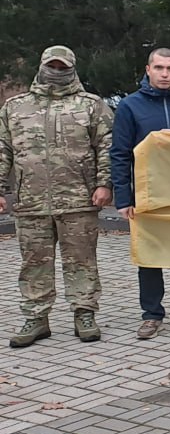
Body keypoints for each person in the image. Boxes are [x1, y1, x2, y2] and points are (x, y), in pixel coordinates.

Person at [1, 46, 113, 347]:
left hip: (78, 199)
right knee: (34, 262)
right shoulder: (16, 107)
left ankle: (84, 313)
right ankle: (36, 318)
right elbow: (3, 149)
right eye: (52, 66)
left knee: (82, 260)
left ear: (72, 69)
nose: (56, 72)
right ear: (41, 67)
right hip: (30, 200)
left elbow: (107, 147)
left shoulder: (91, 105)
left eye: (62, 67)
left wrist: (104, 184)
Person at [110, 48, 170, 339]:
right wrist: (123, 198)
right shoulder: (130, 105)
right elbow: (120, 153)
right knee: (150, 255)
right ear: (148, 70)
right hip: (146, 191)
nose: (165, 74)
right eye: (159, 68)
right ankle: (152, 314)